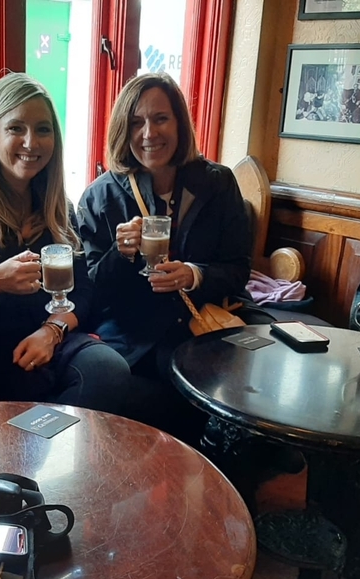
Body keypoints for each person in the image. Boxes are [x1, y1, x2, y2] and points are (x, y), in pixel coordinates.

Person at [76, 72, 296, 486]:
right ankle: (222, 480)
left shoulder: (216, 182)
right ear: (123, 129)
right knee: (200, 395)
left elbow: (238, 269)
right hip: (138, 334)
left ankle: (245, 478)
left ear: (179, 123)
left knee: (273, 362)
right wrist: (121, 255)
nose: (149, 133)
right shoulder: (100, 197)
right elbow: (91, 293)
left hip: (205, 320)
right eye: (137, 122)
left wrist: (194, 274)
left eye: (161, 119)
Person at [0, 73, 131, 414]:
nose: (31, 142)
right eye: (16, 128)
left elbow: (83, 291)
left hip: (46, 345)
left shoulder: (57, 206)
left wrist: (51, 331)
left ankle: (45, 440)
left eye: (43, 129)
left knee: (108, 371)